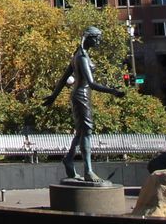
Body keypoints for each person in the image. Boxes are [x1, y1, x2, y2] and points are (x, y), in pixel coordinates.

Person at [45, 26, 122, 184]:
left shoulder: (78, 54)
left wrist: (53, 96)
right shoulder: (81, 57)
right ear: (88, 37)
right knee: (87, 131)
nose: (98, 41)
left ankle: (68, 159)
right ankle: (88, 171)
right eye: (96, 38)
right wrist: (113, 91)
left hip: (79, 95)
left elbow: (63, 78)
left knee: (80, 132)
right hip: (82, 96)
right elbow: (92, 84)